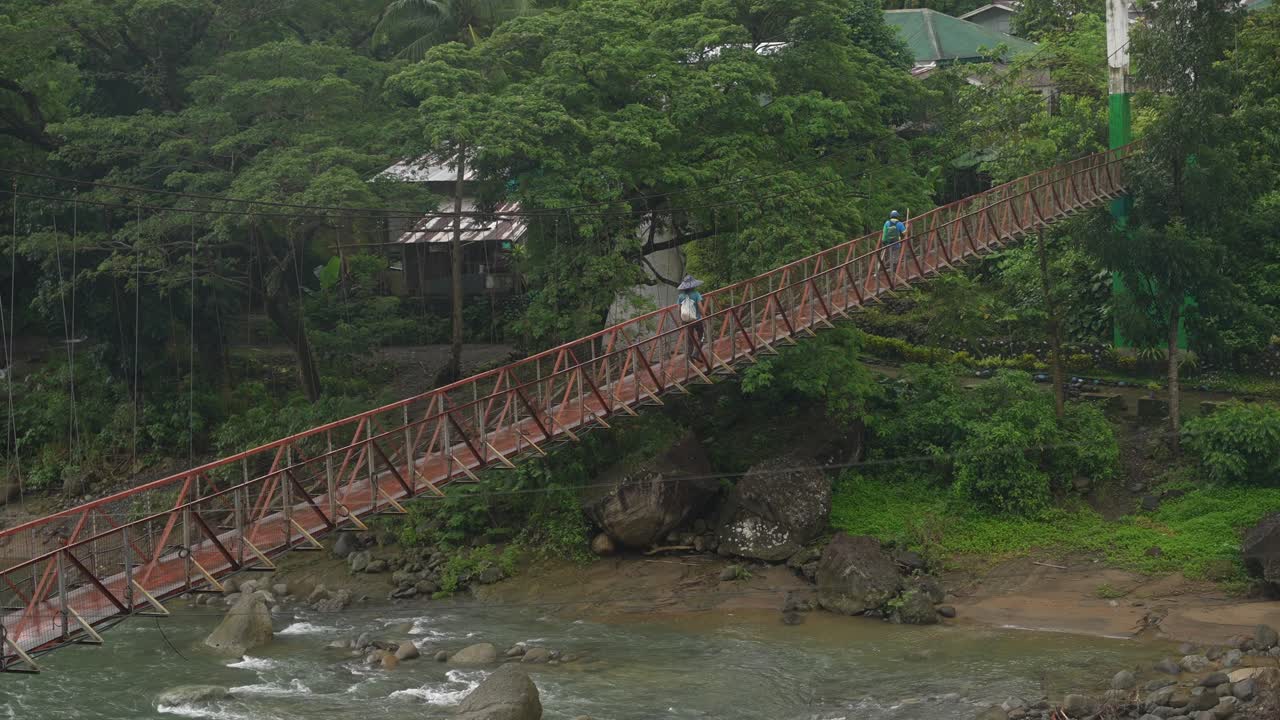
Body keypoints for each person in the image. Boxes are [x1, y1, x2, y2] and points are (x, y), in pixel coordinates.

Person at [676, 275, 704, 353]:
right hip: (697, 320)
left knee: (690, 339)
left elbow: (679, 309)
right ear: (693, 286)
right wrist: (704, 316)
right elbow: (700, 307)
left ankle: (689, 357)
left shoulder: (680, 296)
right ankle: (697, 354)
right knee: (702, 337)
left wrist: (681, 320)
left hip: (686, 321)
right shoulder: (696, 294)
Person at [881, 210, 907, 279]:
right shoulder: (900, 224)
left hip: (889, 243)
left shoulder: (887, 223)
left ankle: (892, 271)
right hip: (896, 243)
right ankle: (894, 271)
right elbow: (904, 233)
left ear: (891, 216)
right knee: (895, 256)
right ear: (897, 216)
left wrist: (883, 241)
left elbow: (884, 232)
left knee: (891, 256)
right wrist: (907, 228)